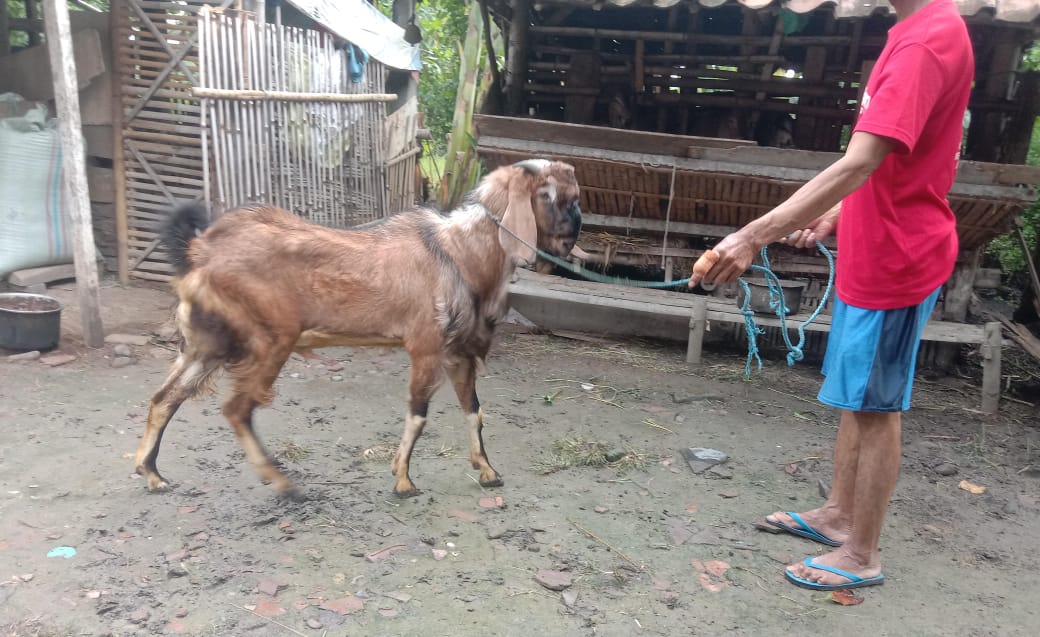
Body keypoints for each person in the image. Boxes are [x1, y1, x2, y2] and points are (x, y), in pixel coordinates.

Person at [688, 0, 974, 591]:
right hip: (873, 249)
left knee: (876, 407)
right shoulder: (914, 30)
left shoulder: (925, 42)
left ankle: (862, 553)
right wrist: (842, 212)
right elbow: (901, 158)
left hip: (898, 259)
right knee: (857, 396)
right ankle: (841, 515)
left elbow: (860, 160)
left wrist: (750, 236)